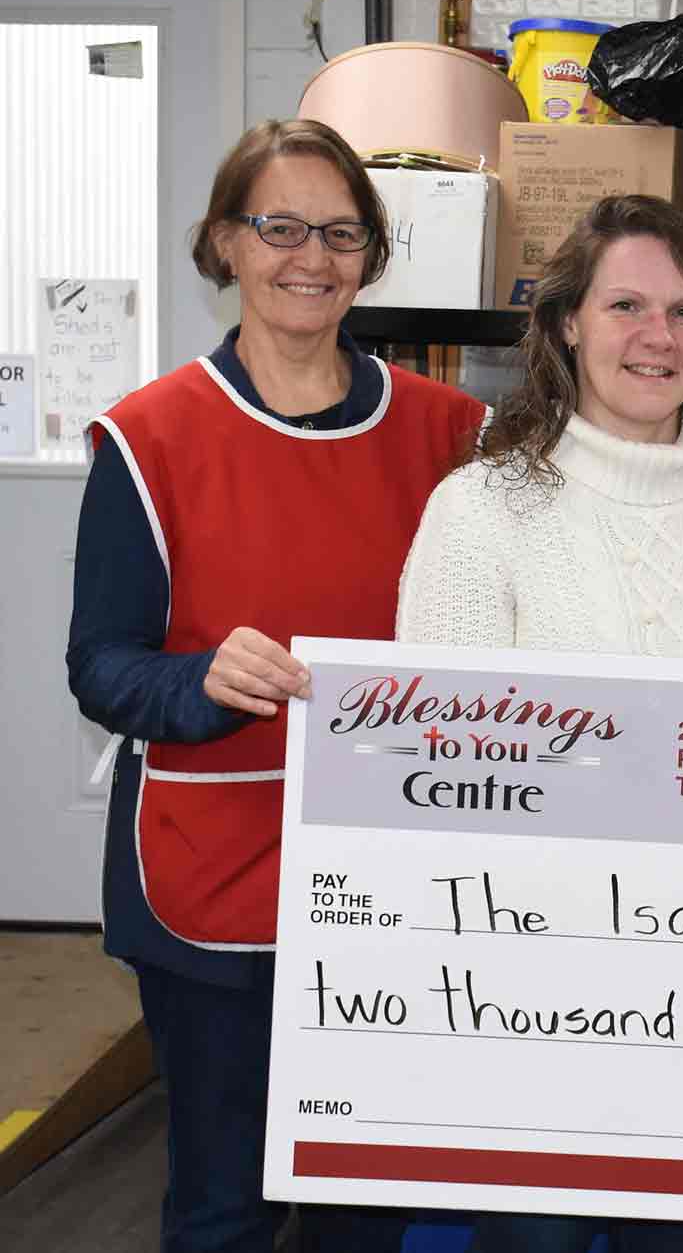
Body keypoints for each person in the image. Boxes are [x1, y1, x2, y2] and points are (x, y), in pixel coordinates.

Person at [65, 118, 486, 1252]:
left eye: (342, 233)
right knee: (225, 1207)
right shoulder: (150, 439)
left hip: (395, 879)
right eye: (280, 226)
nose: (313, 257)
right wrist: (200, 680)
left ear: (373, 255)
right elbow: (101, 665)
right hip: (211, 878)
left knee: (367, 1204)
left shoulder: (452, 435)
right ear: (225, 243)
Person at [396, 194, 683, 1251]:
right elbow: (433, 775)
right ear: (565, 325)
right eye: (626, 305)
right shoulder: (483, 510)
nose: (658, 336)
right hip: (538, 991)